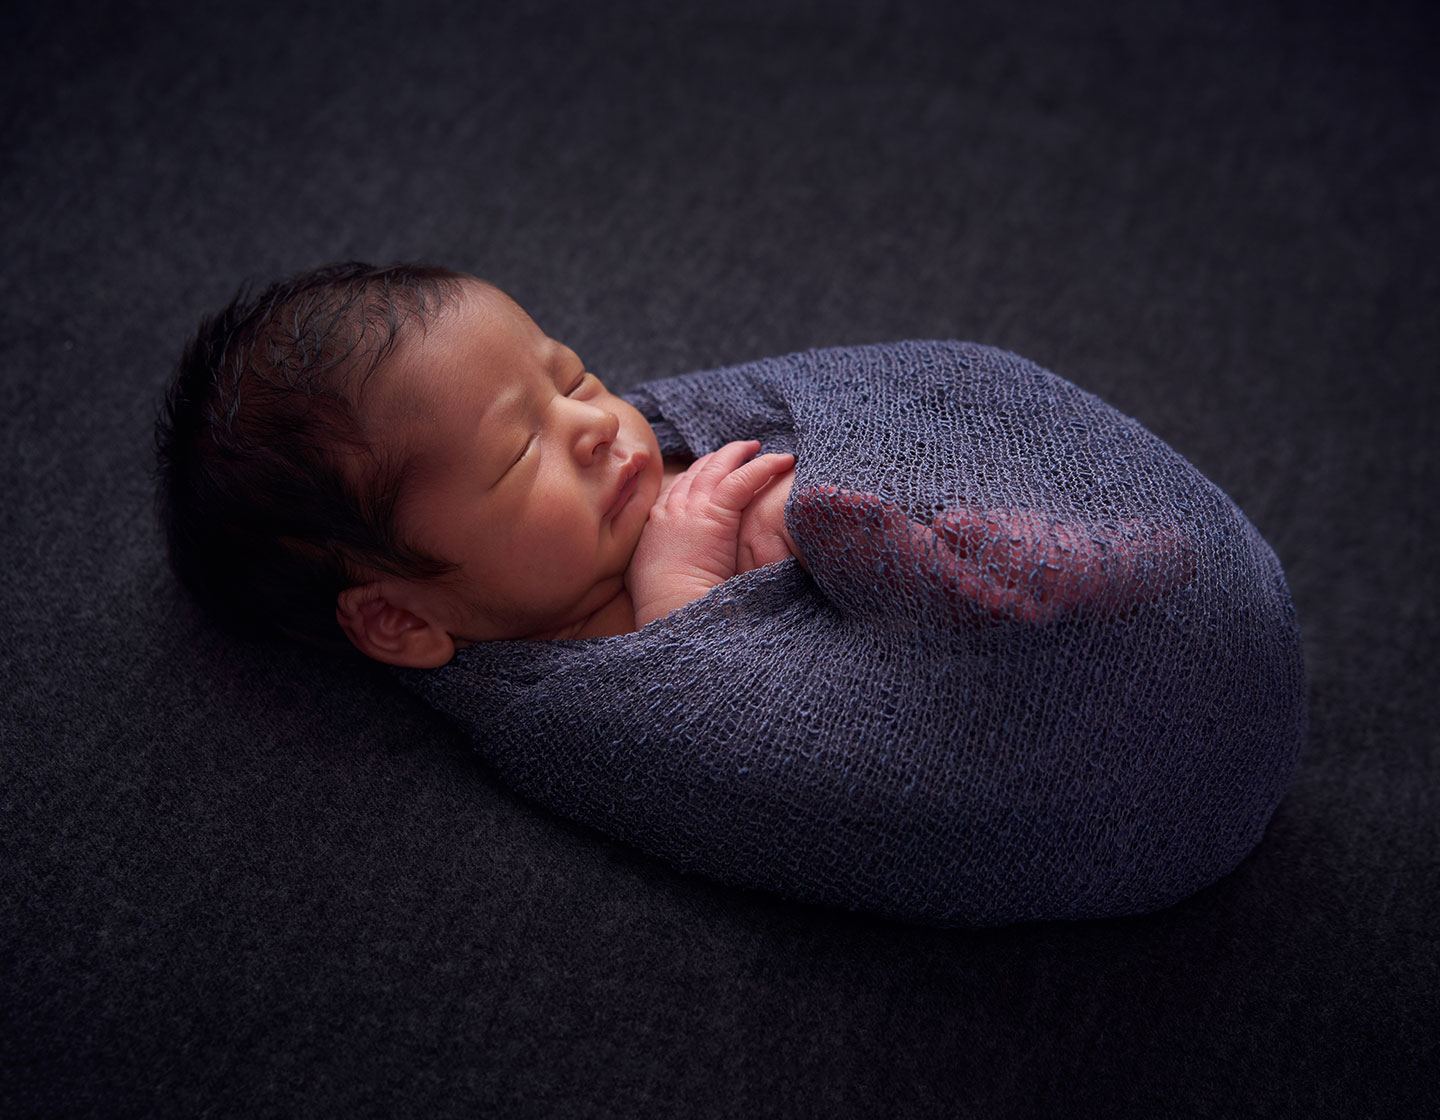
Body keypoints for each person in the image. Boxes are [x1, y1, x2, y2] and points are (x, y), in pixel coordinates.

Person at [156, 260, 1190, 670]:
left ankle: (1012, 542)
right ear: (402, 618)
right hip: (921, 649)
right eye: (522, 452)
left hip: (937, 554)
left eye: (576, 378)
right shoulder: (576, 655)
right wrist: (683, 584)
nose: (599, 425)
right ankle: (1000, 567)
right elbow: (714, 715)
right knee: (778, 521)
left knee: (789, 497)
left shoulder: (623, 483)